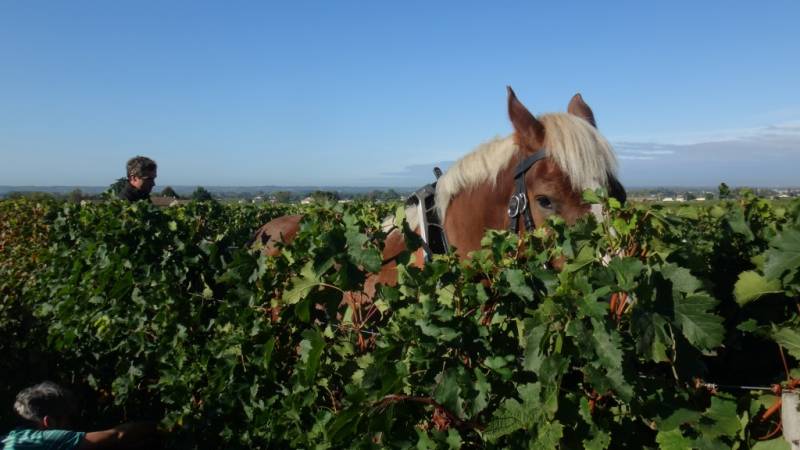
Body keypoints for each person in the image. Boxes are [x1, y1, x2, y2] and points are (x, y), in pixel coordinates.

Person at [1, 381, 159, 449]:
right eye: (67, 418)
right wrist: (164, 425)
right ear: (48, 422)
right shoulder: (45, 439)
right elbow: (117, 435)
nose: (70, 426)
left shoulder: (13, 437)